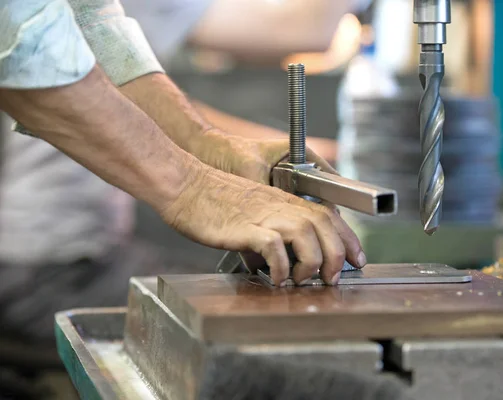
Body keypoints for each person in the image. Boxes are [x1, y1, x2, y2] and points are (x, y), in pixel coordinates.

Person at [0, 0, 368, 347]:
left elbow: (88, 25)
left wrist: (207, 144)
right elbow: (21, 43)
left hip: (84, 254)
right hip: (44, 268)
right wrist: (192, 187)